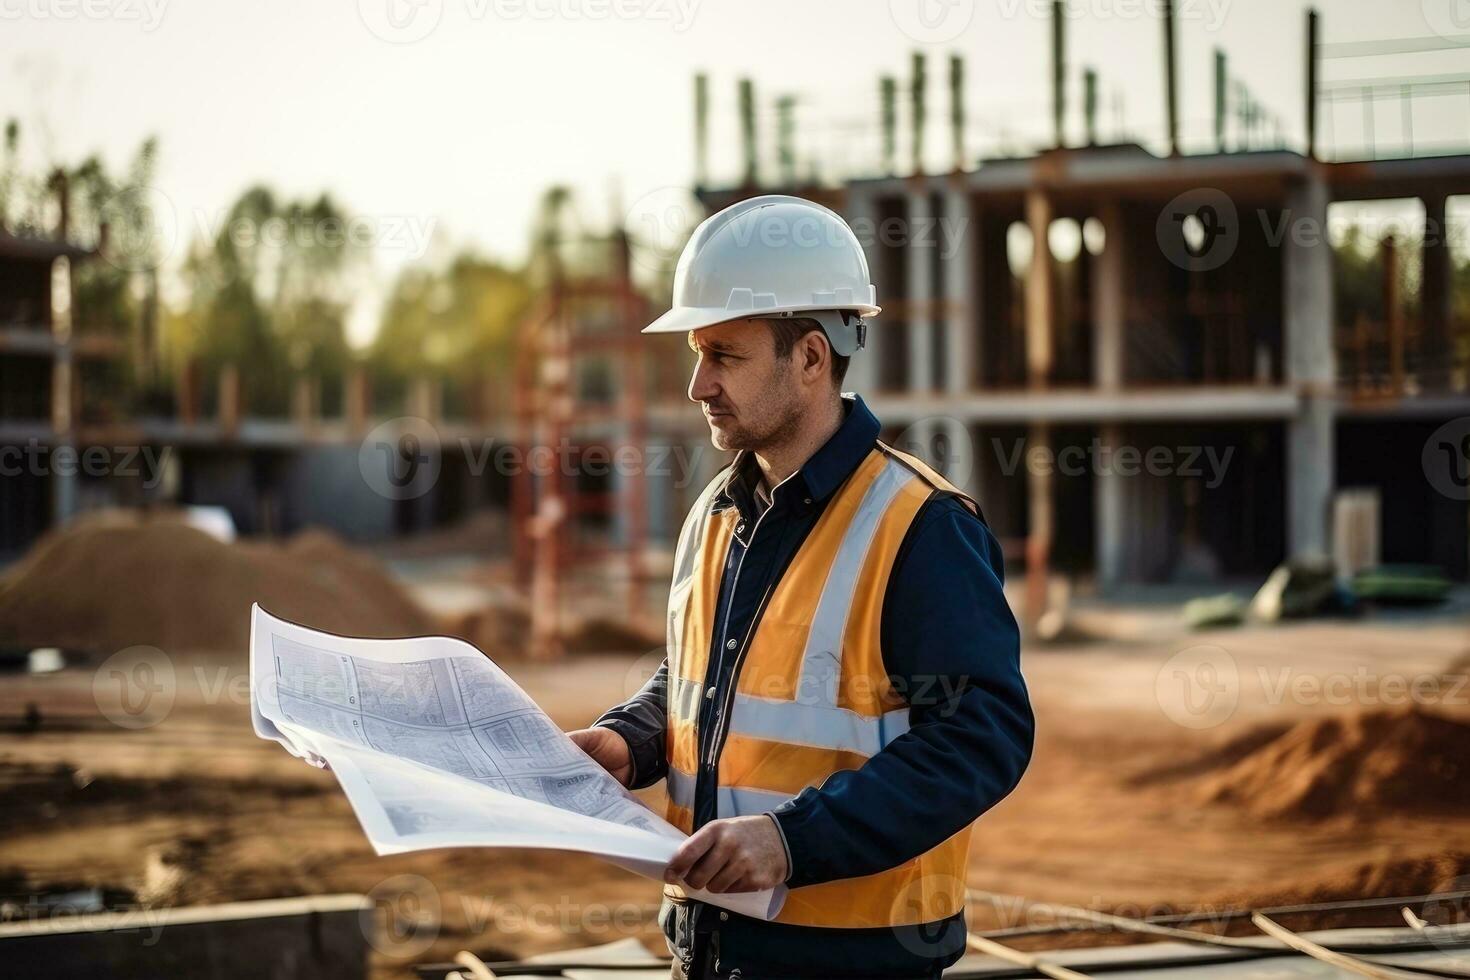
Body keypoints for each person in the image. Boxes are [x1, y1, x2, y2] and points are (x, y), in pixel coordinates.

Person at [569, 196, 1034, 979]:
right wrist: (632, 738)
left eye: (724, 355)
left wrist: (791, 841)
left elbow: (981, 738)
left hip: (850, 959)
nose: (698, 385)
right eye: (696, 353)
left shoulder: (920, 526)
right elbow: (701, 678)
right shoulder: (717, 512)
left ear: (812, 357)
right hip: (710, 949)